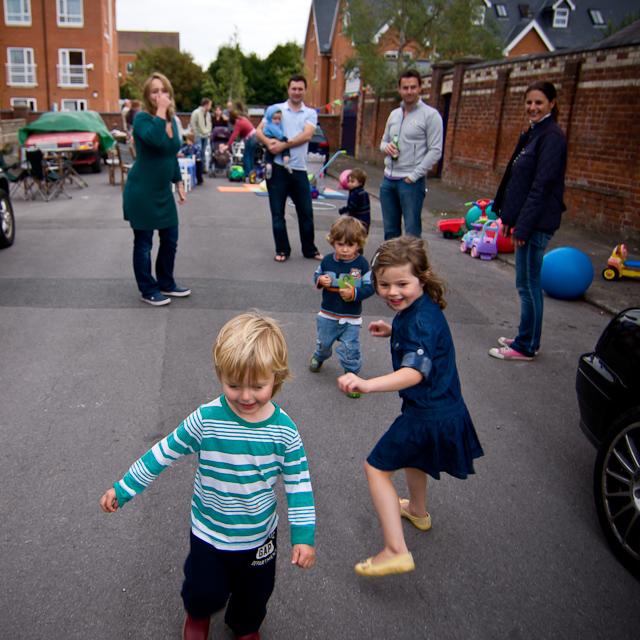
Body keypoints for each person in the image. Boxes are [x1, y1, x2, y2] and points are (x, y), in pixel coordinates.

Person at [100, 311, 316, 640]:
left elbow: (299, 485)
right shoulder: (207, 419)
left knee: (255, 596)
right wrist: (125, 487)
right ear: (220, 375)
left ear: (277, 377)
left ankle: (245, 626)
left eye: (258, 386)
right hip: (209, 532)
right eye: (233, 384)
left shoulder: (284, 431)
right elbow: (164, 452)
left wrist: (303, 536)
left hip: (259, 537)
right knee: (203, 589)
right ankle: (198, 615)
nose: (245, 396)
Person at [337, 236, 483, 577]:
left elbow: (415, 371)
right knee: (412, 459)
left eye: (402, 283)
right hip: (443, 409)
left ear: (423, 277)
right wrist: (392, 331)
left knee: (376, 468)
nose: (392, 292)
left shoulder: (418, 320)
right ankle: (417, 510)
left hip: (427, 415)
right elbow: (421, 342)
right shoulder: (417, 309)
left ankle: (395, 550)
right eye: (383, 284)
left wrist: (367, 383)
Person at [489, 81, 567, 362]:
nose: (533, 107)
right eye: (529, 102)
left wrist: (523, 226)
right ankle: (527, 336)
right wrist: (510, 218)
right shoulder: (537, 133)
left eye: (539, 103)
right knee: (526, 283)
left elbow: (541, 187)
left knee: (528, 284)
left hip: (537, 223)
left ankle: (525, 346)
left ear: (552, 104)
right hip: (527, 220)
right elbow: (518, 182)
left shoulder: (552, 136)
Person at [122, 72, 190, 306]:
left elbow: (171, 155)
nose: (160, 95)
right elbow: (152, 139)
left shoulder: (173, 121)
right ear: (147, 95)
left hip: (162, 192)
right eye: (154, 91)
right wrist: (161, 111)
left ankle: (166, 282)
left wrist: (179, 183)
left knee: (170, 237)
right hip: (141, 191)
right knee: (144, 243)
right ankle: (147, 288)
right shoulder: (142, 118)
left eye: (163, 91)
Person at [255, 73, 322, 262]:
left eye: (300, 89)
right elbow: (259, 131)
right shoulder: (277, 109)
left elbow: (307, 135)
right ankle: (282, 250)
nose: (297, 92)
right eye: (294, 88)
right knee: (278, 213)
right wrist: (269, 143)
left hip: (299, 169)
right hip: (277, 170)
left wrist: (284, 145)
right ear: (288, 89)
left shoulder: (310, 113)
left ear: (305, 90)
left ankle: (310, 249)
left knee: (306, 212)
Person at [309, 217, 374, 390]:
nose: (345, 249)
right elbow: (317, 274)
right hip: (328, 314)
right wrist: (321, 280)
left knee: (350, 349)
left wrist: (354, 293)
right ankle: (320, 356)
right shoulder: (327, 260)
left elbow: (370, 287)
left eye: (350, 245)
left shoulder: (361, 264)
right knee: (324, 343)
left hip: (350, 317)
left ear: (359, 244)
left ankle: (351, 377)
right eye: (340, 244)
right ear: (333, 242)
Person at [379, 69, 443, 240]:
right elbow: (383, 141)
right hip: (388, 180)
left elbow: (436, 151)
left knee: (412, 233)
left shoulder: (431, 115)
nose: (409, 92)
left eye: (413, 87)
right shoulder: (394, 114)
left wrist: (413, 176)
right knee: (390, 232)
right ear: (399, 89)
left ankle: (413, 267)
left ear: (421, 87)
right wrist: (387, 148)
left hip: (410, 182)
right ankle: (393, 266)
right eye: (405, 88)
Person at [220, 110, 258, 179]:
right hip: (256, 136)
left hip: (250, 138)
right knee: (250, 155)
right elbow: (243, 131)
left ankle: (247, 174)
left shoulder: (238, 123)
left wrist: (227, 145)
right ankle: (252, 173)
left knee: (246, 156)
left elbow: (234, 135)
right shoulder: (243, 118)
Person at [338, 168, 371, 236]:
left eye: (352, 182)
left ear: (360, 182)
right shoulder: (363, 193)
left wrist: (343, 210)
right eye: (348, 181)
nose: (349, 184)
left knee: (354, 237)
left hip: (358, 221)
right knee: (361, 238)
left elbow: (352, 207)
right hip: (365, 221)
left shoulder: (357, 194)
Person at [262, 104, 291, 179]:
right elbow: (278, 133)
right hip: (275, 138)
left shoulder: (269, 124)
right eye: (275, 118)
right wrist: (284, 138)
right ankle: (286, 160)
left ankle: (268, 166)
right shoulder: (271, 125)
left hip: (270, 140)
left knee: (268, 156)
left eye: (279, 119)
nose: (277, 121)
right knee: (285, 148)